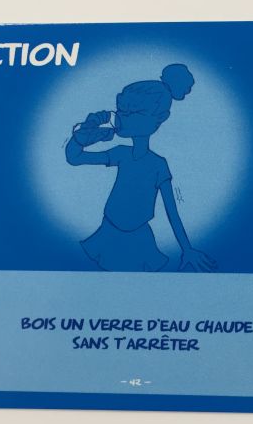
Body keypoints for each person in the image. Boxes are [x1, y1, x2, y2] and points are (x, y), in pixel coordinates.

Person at [65, 64, 217, 273]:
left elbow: (172, 212)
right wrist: (83, 135)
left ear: (159, 119)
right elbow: (74, 158)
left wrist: (187, 249)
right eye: (122, 111)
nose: (122, 117)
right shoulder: (121, 153)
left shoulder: (158, 165)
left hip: (138, 239)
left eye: (132, 113)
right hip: (107, 232)